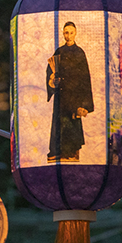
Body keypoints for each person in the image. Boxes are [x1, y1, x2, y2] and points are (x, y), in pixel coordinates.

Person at [46, 22, 93, 162]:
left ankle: (72, 152)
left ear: (75, 33)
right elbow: (50, 70)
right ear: (63, 33)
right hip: (61, 94)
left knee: (72, 123)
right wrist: (52, 79)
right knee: (59, 122)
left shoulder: (80, 52)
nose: (68, 35)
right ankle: (57, 151)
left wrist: (84, 104)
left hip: (75, 95)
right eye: (66, 32)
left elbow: (85, 78)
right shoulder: (59, 51)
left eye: (71, 32)